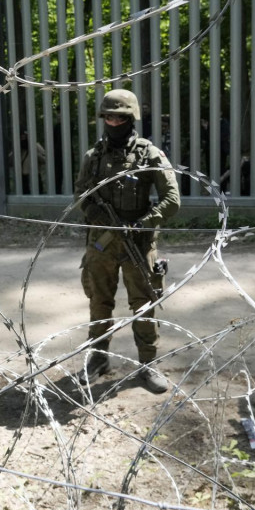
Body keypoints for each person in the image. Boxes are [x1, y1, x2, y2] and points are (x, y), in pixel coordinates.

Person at [75, 89, 181, 394]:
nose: (113, 121)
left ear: (130, 118)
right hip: (101, 244)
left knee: (144, 306)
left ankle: (148, 365)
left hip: (138, 244)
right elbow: (81, 193)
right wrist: (98, 213)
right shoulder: (94, 157)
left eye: (119, 117)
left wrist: (141, 224)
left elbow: (172, 200)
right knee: (99, 302)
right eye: (108, 116)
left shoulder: (150, 154)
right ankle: (98, 358)